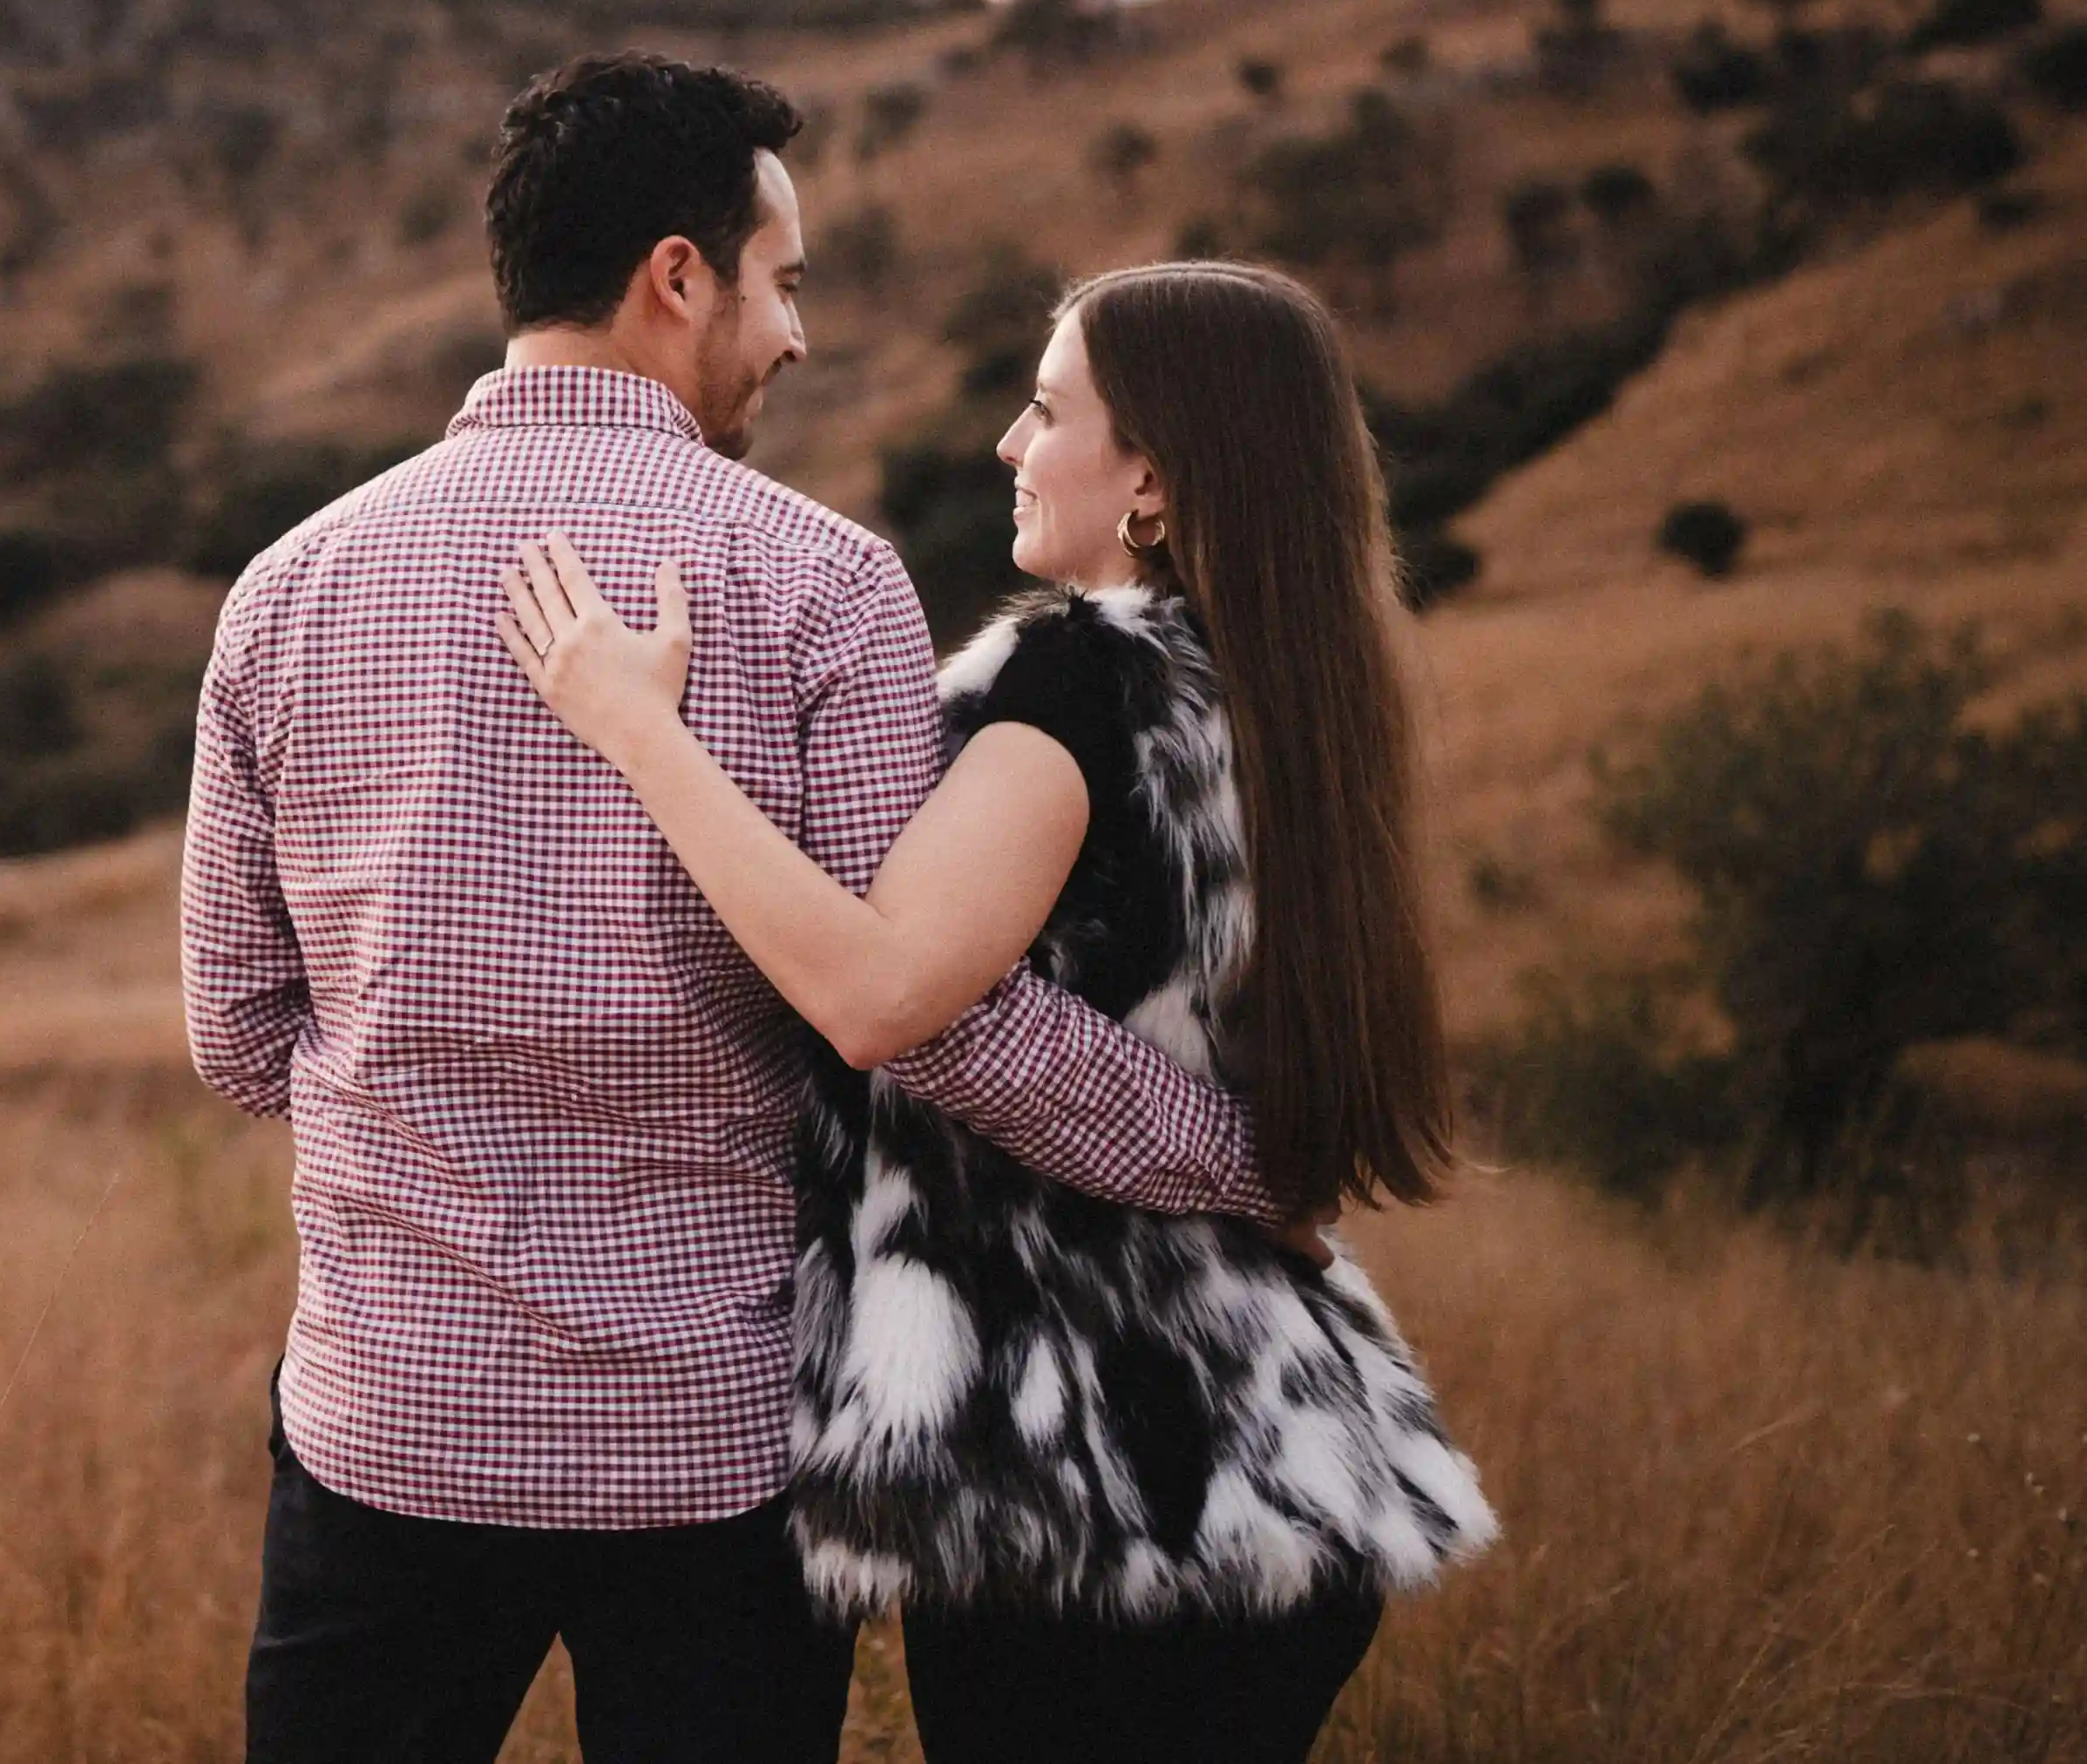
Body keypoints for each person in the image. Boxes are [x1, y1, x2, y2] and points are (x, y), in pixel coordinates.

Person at [184, 55, 1301, 1764]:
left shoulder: (289, 589)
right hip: (718, 1451)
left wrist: (433, 1106)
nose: (791, 335)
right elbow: (933, 1019)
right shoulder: (819, 582)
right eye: (779, 285)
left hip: (388, 1428)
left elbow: (240, 1035)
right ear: (675, 278)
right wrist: (1243, 1152)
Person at [497, 258, 1497, 1764]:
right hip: (1275, 1449)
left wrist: (637, 727)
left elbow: (884, 994)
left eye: (1046, 414)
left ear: (1151, 478)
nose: (1006, 449)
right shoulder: (1283, 691)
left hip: (1086, 1481)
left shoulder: (1078, 676)